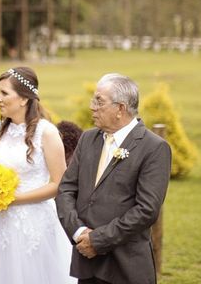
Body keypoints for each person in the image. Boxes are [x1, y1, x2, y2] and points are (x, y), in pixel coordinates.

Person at [56, 73, 172, 284]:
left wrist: (97, 240)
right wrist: (79, 232)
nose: (92, 107)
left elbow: (147, 210)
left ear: (120, 109)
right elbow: (65, 190)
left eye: (99, 101)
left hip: (126, 266)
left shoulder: (154, 148)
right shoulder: (88, 138)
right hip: (86, 262)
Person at [0, 67, 76, 284]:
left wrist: (13, 200)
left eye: (4, 93)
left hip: (33, 222)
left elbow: (58, 185)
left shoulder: (47, 133)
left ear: (24, 98)